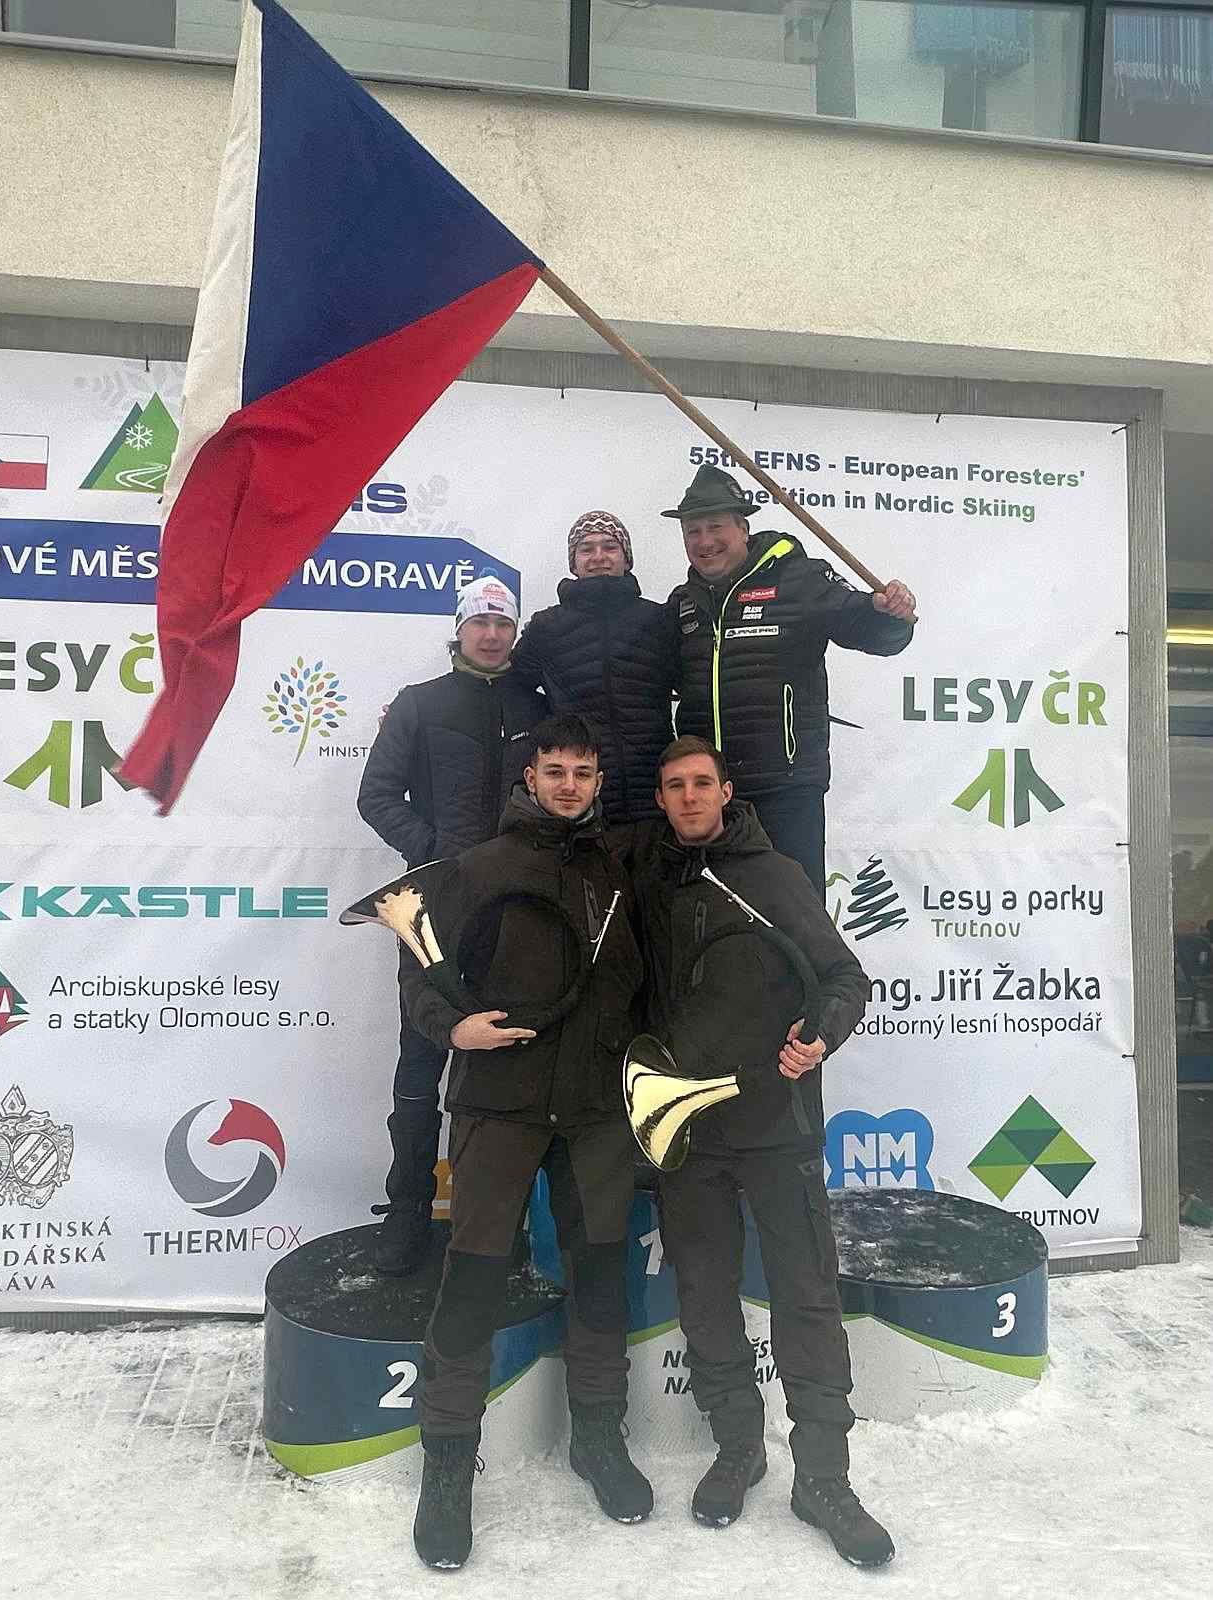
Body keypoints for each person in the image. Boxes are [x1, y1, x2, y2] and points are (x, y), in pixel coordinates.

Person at [632, 735, 893, 1567]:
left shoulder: (775, 875)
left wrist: (819, 1037)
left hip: (777, 1128)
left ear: (725, 790)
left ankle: (823, 1478)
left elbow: (844, 979)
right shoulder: (651, 883)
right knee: (704, 1296)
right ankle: (737, 1447)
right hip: (689, 1134)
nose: (687, 797)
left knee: (805, 1298)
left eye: (700, 783)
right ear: (661, 798)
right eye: (673, 786)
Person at [400, 714, 650, 1569]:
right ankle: (446, 1465)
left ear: (598, 782)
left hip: (596, 1111)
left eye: (583, 772)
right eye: (554, 771)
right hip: (497, 1107)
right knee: (471, 1282)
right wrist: (451, 1027)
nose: (568, 786)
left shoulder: (621, 868)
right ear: (530, 778)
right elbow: (417, 969)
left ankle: (599, 1439)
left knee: (600, 1279)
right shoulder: (478, 866)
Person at [356, 574, 545, 1274]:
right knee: (420, 1062)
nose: (491, 635)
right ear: (459, 631)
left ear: (514, 633)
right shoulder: (418, 703)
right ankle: (407, 1210)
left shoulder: (536, 705)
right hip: (433, 906)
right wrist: (434, 851)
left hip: (513, 910)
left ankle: (496, 1218)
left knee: (502, 1064)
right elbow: (376, 795)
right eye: (479, 623)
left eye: (502, 623)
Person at [665, 464, 917, 897]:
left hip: (786, 790)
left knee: (795, 915)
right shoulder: (683, 602)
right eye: (693, 531)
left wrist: (892, 615)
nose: (704, 541)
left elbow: (870, 629)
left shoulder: (800, 578)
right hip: (709, 795)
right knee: (717, 915)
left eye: (715, 527)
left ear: (743, 528)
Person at [512, 510, 676, 822]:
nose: (598, 556)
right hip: (580, 802)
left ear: (626, 559)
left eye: (610, 547)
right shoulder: (547, 627)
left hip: (655, 798)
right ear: (573, 563)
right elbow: (510, 689)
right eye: (586, 549)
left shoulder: (659, 620)